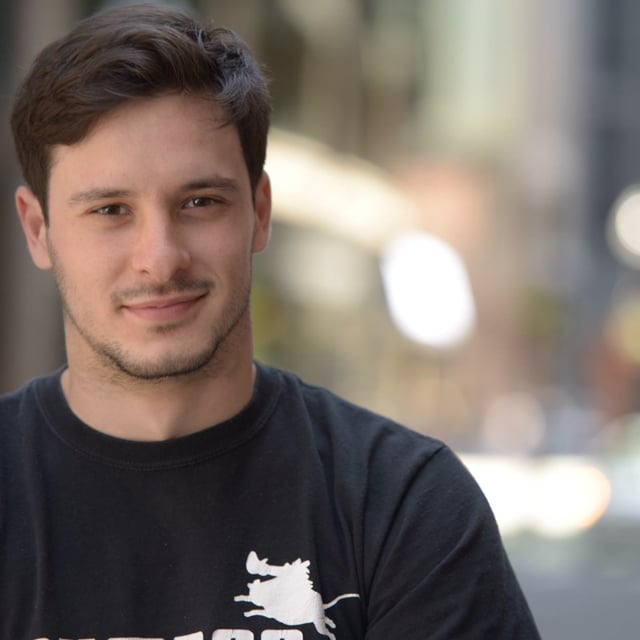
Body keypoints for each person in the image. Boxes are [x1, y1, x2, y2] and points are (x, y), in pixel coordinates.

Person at [2, 4, 540, 639]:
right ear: (38, 230)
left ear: (259, 213)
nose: (160, 258)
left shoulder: (401, 502)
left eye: (200, 202)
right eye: (110, 210)